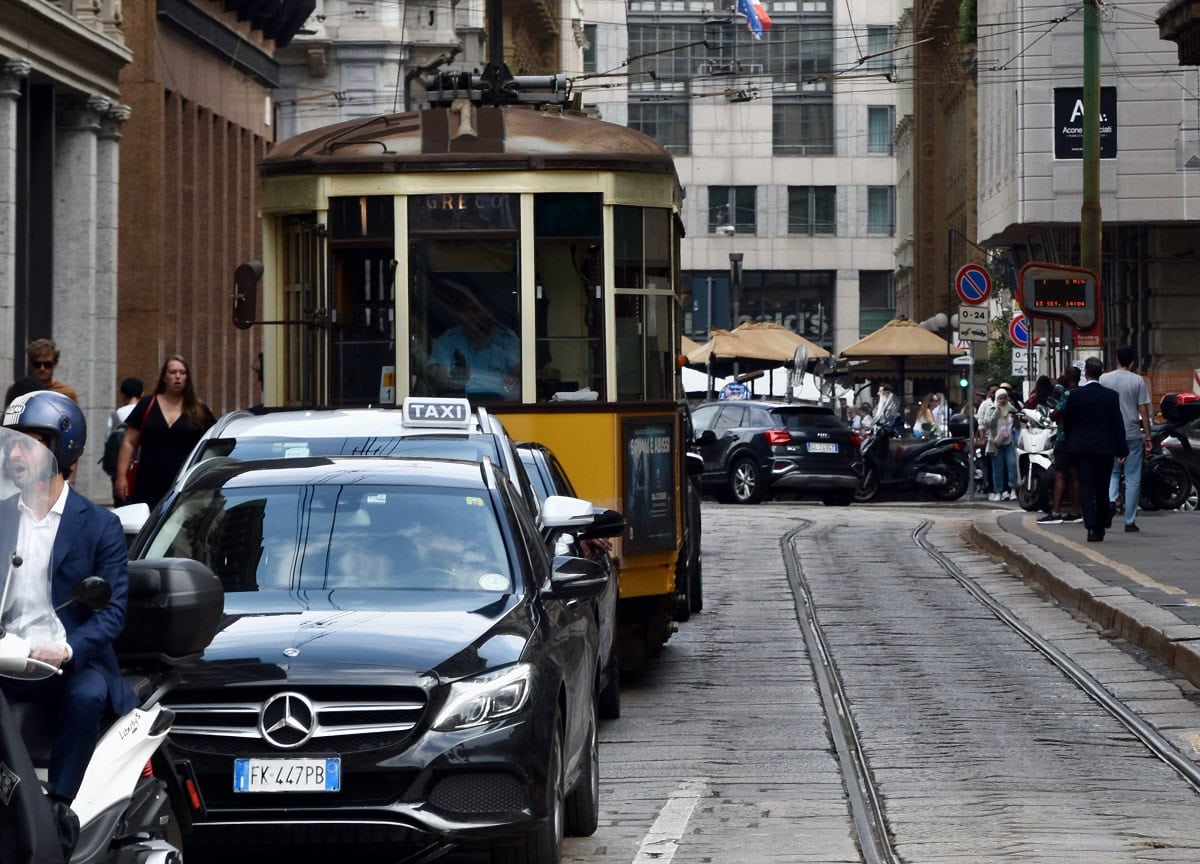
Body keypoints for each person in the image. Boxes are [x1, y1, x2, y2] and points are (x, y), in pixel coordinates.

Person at [0, 391, 138, 816]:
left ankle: (61, 808)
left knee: (87, 696)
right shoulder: (2, 517)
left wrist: (67, 648)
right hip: (9, 660)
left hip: (68, 663)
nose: (17, 452)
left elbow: (112, 612)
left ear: (63, 447)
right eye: (13, 442)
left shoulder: (100, 525)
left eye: (30, 442)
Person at [114, 356, 215, 509]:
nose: (178, 377)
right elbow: (129, 442)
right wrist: (121, 476)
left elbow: (212, 443)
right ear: (164, 377)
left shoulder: (198, 410)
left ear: (188, 378)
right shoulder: (147, 404)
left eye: (182, 372)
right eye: (173, 372)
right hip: (148, 481)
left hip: (184, 481)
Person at [1062, 356, 1128, 542]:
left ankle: (1091, 527)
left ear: (1086, 373)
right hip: (1104, 449)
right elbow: (1117, 424)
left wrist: (1070, 442)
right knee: (1102, 487)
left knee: (1086, 487)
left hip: (1082, 449)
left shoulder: (1075, 395)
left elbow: (1068, 422)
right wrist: (1121, 449)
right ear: (1101, 373)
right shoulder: (1111, 396)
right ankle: (1100, 524)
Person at [427, 288, 520, 400]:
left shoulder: (507, 341)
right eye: (465, 311)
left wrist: (518, 373)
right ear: (459, 313)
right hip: (457, 410)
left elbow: (519, 378)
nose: (471, 316)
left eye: (475, 310)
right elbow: (439, 383)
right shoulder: (447, 341)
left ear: (489, 311)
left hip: (501, 409)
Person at [1100, 345, 1153, 533]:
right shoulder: (1138, 381)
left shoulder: (1104, 379)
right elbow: (1143, 411)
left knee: (1112, 473)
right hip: (1131, 432)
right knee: (1132, 478)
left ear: (1117, 359)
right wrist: (1147, 436)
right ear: (1132, 361)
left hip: (1109, 433)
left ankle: (1111, 501)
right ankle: (1129, 521)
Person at [1039, 366, 1083, 525]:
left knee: (1059, 474)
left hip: (1065, 439)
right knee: (1075, 476)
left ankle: (1056, 511)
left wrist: (1054, 412)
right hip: (1079, 440)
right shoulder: (1082, 393)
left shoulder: (1067, 394)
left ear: (1070, 376)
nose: (1062, 376)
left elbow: (1054, 415)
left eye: (1065, 373)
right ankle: (1075, 511)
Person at [102, 378, 143, 506]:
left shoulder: (116, 416)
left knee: (121, 504)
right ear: (141, 394)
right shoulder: (144, 412)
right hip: (140, 468)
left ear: (123, 395)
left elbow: (108, 438)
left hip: (119, 470)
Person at [980, 387, 1019, 501]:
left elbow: (1018, 416)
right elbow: (985, 423)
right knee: (997, 468)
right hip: (995, 443)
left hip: (1008, 442)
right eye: (1000, 398)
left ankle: (1012, 489)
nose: (1002, 400)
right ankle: (998, 490)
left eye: (1004, 398)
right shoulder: (991, 409)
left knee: (1012, 465)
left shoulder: (1010, 408)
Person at [25, 338, 78, 403]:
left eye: (47, 364)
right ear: (30, 364)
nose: (42, 368)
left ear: (55, 363)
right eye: (37, 364)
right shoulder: (19, 391)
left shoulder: (67, 393)